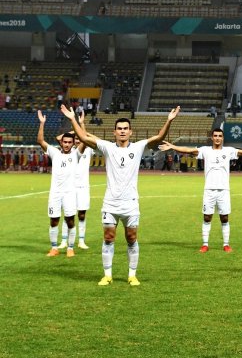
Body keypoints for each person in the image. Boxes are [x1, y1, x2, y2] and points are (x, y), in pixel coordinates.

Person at [60, 103, 181, 286]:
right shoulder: (108, 147)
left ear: (130, 132)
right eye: (119, 129)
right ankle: (107, 275)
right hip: (111, 203)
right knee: (108, 238)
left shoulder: (138, 147)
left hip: (131, 203)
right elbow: (84, 137)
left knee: (131, 238)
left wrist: (169, 121)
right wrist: (72, 119)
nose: (122, 131)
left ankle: (132, 275)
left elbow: (159, 138)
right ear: (114, 132)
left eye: (125, 129)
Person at [158, 130, 242, 253]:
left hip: (224, 190)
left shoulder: (228, 151)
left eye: (220, 136)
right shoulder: (205, 150)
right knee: (207, 217)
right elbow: (188, 150)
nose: (217, 138)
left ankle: (226, 244)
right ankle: (205, 244)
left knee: (224, 218)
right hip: (209, 190)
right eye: (215, 136)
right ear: (212, 138)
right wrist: (172, 146)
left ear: (223, 138)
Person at [37, 110, 78, 258]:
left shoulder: (76, 154)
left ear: (73, 143)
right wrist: (42, 123)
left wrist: (74, 120)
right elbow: (40, 141)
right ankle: (54, 248)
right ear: (61, 142)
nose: (67, 144)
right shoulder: (55, 153)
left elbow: (84, 140)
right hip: (55, 193)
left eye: (69, 142)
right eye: (64, 142)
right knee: (54, 220)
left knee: (70, 220)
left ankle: (70, 247)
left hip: (69, 194)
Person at [56, 110, 94, 251]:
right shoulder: (69, 151)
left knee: (82, 214)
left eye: (79, 138)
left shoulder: (88, 149)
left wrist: (81, 124)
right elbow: (58, 138)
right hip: (70, 187)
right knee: (68, 214)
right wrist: (74, 130)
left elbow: (85, 137)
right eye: (75, 139)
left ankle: (81, 240)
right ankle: (64, 241)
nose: (78, 140)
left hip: (83, 187)